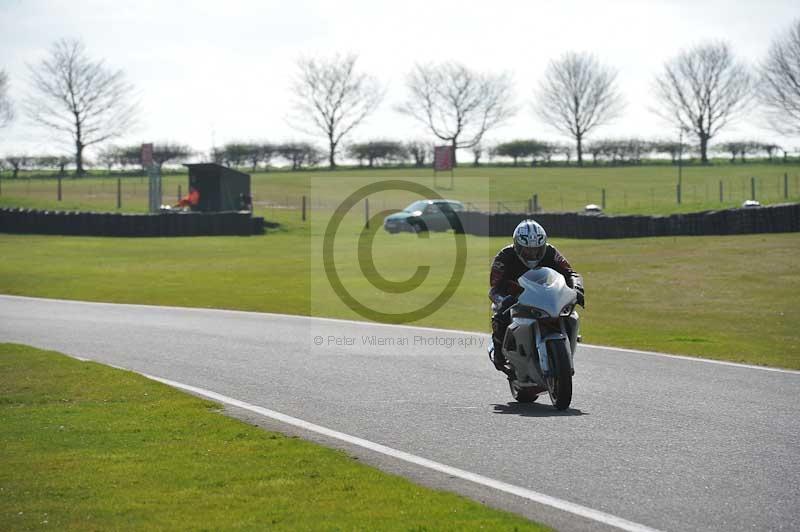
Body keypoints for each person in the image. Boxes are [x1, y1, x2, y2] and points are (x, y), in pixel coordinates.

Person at [488, 219, 584, 373]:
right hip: (515, 297)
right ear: (518, 247)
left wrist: (578, 289)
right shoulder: (504, 256)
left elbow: (570, 273)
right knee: (500, 316)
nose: (533, 254)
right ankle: (499, 354)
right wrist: (503, 300)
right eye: (528, 250)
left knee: (571, 314)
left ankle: (566, 349)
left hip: (545, 293)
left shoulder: (550, 252)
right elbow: (494, 287)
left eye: (537, 250)